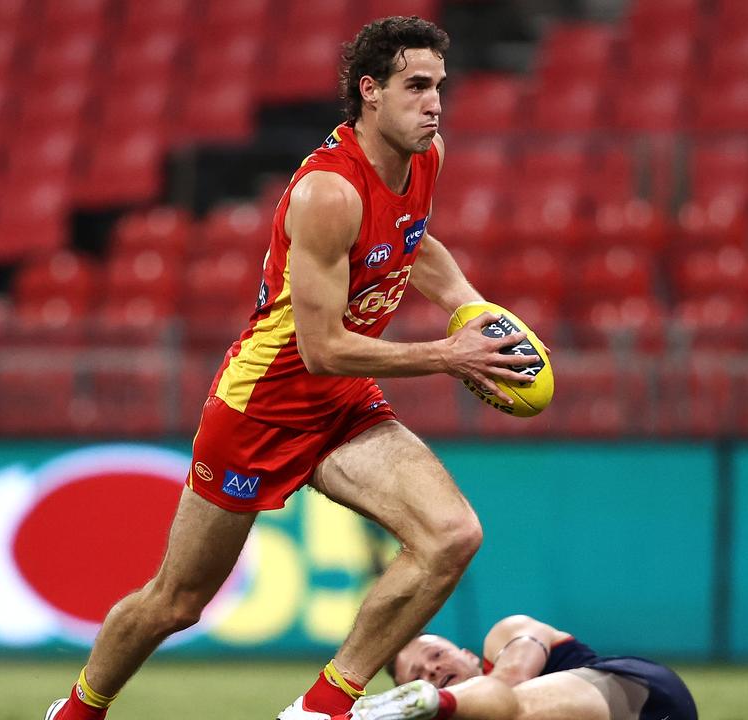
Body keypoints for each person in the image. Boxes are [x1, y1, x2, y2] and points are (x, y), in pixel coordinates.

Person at [46, 16, 541, 720]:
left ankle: (319, 709)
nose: (434, 103)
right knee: (176, 602)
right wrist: (446, 354)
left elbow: (413, 239)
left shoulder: (424, 158)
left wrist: (468, 307)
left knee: (452, 534)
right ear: (370, 92)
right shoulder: (327, 193)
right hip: (262, 407)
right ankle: (76, 711)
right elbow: (321, 348)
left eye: (440, 86)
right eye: (416, 86)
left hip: (340, 404)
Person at [336, 614, 697, 720]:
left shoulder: (506, 634)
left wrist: (443, 704)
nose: (430, 670)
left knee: (510, 702)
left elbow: (510, 682)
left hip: (639, 696)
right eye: (416, 675)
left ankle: (430, 705)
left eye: (436, 655)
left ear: (468, 654)